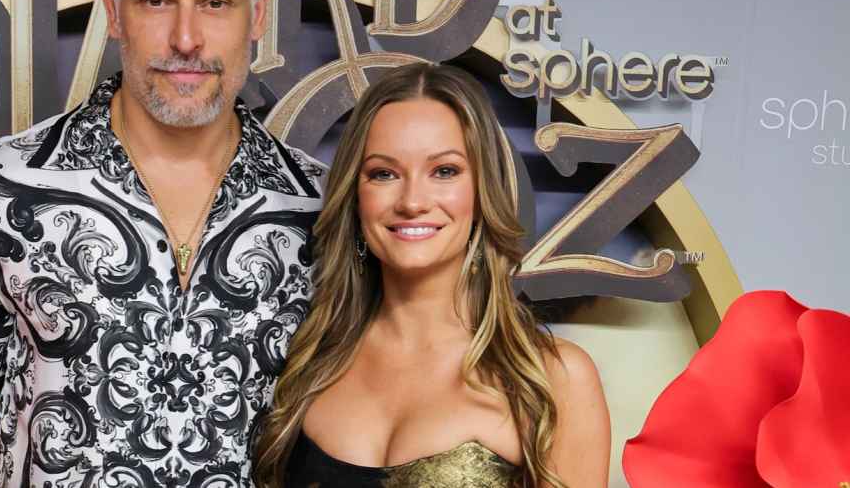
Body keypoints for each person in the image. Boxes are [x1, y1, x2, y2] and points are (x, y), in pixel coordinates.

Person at [0, 0, 325, 488]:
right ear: (113, 7)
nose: (186, 39)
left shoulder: (324, 207)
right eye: (156, 1)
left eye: (215, 2)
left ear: (257, 11)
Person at [255, 63, 610, 487]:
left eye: (444, 171)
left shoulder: (553, 378)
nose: (412, 202)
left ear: (482, 191)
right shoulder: (306, 358)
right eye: (384, 174)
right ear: (356, 196)